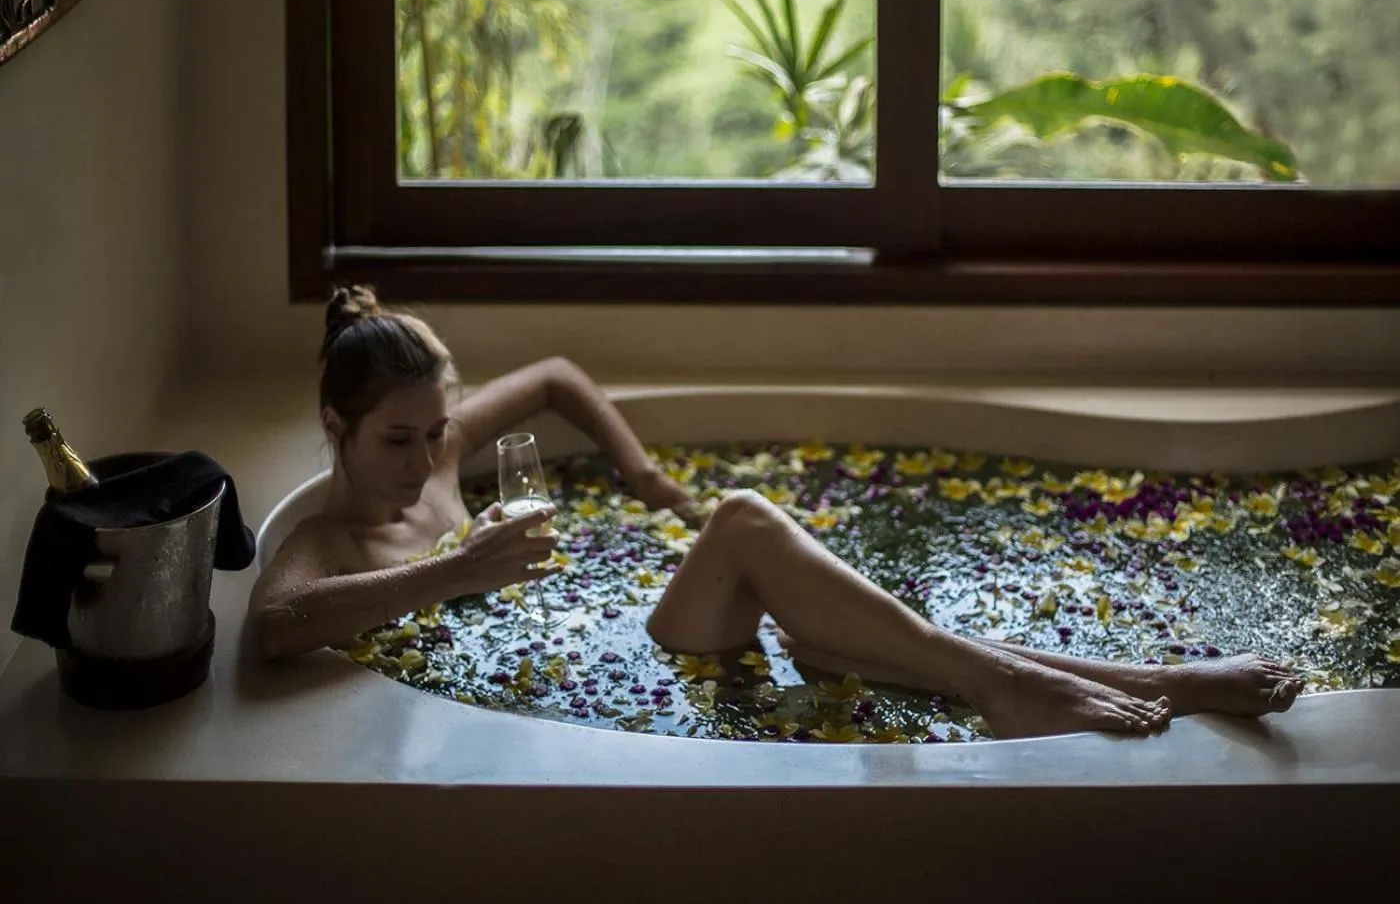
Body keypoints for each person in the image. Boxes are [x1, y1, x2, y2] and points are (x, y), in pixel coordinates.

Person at [251, 285, 1305, 741]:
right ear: (337, 425)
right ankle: (1024, 683)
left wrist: (646, 479)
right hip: (629, 656)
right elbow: (276, 624)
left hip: (628, 629)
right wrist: (453, 572)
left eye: (438, 428)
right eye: (398, 438)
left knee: (828, 626)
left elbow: (559, 377)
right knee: (752, 523)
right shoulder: (326, 537)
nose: (429, 456)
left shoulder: (440, 457)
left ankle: (1148, 682)